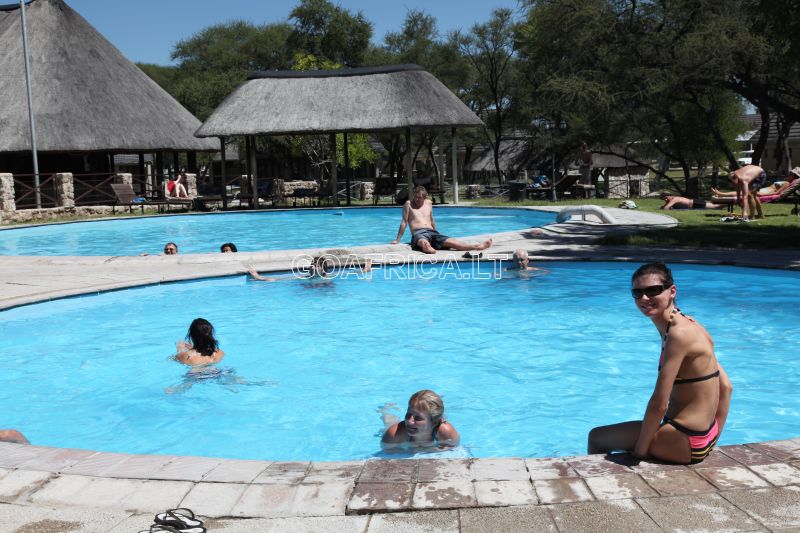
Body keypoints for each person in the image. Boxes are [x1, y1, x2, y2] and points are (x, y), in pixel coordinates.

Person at [587, 262, 733, 464]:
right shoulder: (692, 324)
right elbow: (726, 387)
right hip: (703, 438)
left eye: (653, 290)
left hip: (684, 438)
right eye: (637, 293)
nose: (644, 298)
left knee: (596, 438)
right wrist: (712, 437)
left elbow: (659, 404)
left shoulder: (678, 335)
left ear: (672, 291)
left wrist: (639, 453)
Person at [391, 186, 492, 254]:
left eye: (419, 198)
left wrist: (437, 233)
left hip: (432, 232)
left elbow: (432, 220)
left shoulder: (428, 203)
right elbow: (404, 222)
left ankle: (478, 246)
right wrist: (397, 239)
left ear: (424, 198)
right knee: (423, 242)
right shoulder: (408, 204)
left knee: (454, 243)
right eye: (415, 197)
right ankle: (427, 247)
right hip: (418, 233)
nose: (416, 199)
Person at [382, 390, 460, 450]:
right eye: (408, 414)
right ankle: (384, 411)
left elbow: (453, 452)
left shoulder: (446, 432)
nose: (409, 421)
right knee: (388, 422)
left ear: (434, 422)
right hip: (399, 432)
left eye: (418, 418)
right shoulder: (394, 434)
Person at [712, 166, 799, 199]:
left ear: (794, 176)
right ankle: (721, 194)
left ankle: (721, 194)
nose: (789, 174)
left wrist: (763, 195)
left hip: (767, 191)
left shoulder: (787, 183)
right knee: (743, 192)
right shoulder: (785, 181)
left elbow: (777, 193)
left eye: (791, 174)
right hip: (766, 189)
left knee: (744, 192)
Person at [659, 194, 724, 210]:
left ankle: (727, 202)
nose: (666, 200)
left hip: (695, 203)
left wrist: (664, 207)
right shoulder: (673, 199)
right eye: (664, 200)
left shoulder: (674, 199)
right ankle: (725, 202)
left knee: (715, 207)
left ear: (669, 196)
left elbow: (666, 208)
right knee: (716, 206)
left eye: (666, 198)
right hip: (694, 203)